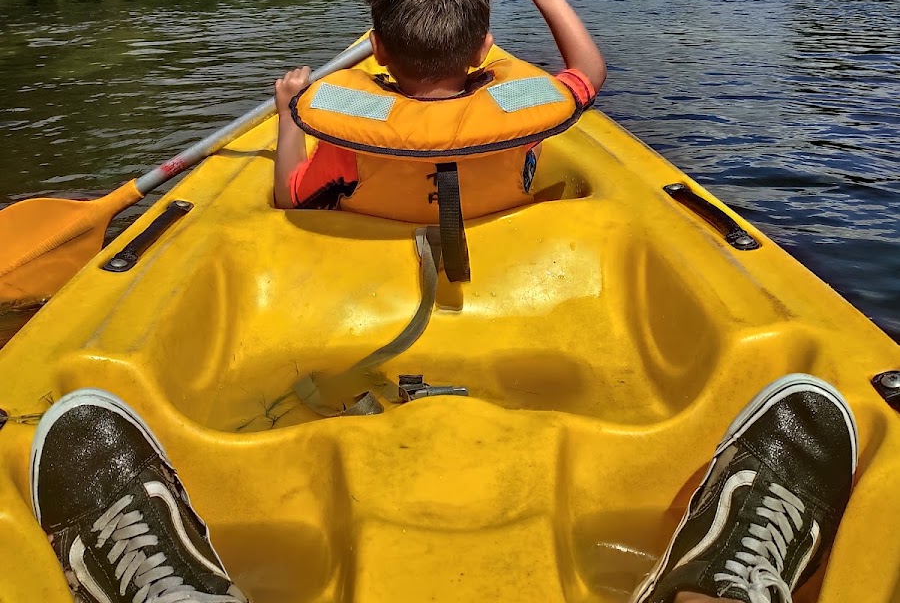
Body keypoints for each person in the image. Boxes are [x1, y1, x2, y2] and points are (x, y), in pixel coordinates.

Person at [28, 372, 858, 602]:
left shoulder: (338, 145)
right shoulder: (529, 115)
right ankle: (712, 594)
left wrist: (289, 116)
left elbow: (290, 190)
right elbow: (585, 84)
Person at [271, 0, 607, 260]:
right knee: (530, 145)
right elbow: (589, 74)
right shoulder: (520, 105)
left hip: (375, 261)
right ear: (482, 50)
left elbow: (291, 199)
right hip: (504, 245)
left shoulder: (350, 141)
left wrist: (288, 114)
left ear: (378, 49)